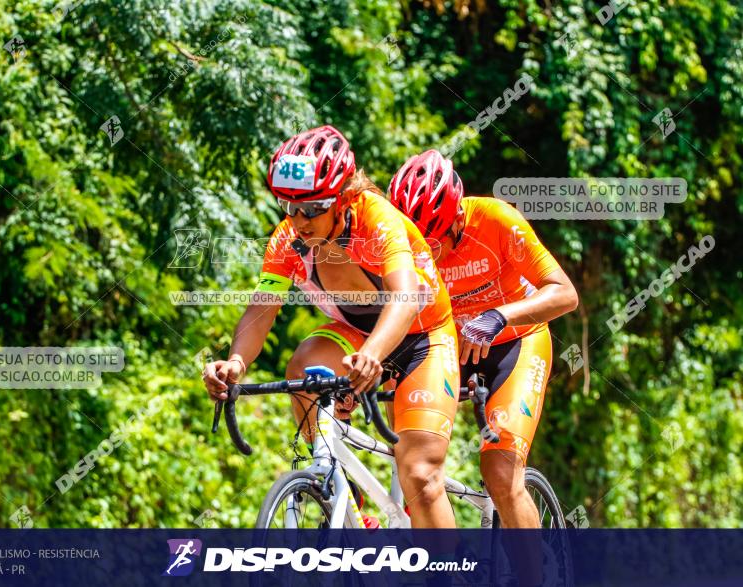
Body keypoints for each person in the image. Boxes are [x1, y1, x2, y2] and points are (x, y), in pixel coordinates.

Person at [202, 126, 461, 528]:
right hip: (358, 334)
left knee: (421, 477)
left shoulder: (378, 220)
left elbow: (406, 298)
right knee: (302, 369)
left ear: (342, 198)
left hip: (422, 336)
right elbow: (263, 307)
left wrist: (373, 355)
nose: (299, 220)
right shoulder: (288, 240)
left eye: (312, 208)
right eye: (288, 206)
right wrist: (236, 362)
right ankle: (347, 500)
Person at [388, 150, 579, 528]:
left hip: (515, 343)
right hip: (448, 348)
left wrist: (499, 315)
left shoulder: (496, 220)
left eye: (435, 240)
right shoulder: (400, 242)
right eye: (416, 242)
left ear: (458, 215)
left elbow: (564, 294)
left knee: (501, 474)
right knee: (415, 463)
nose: (426, 252)